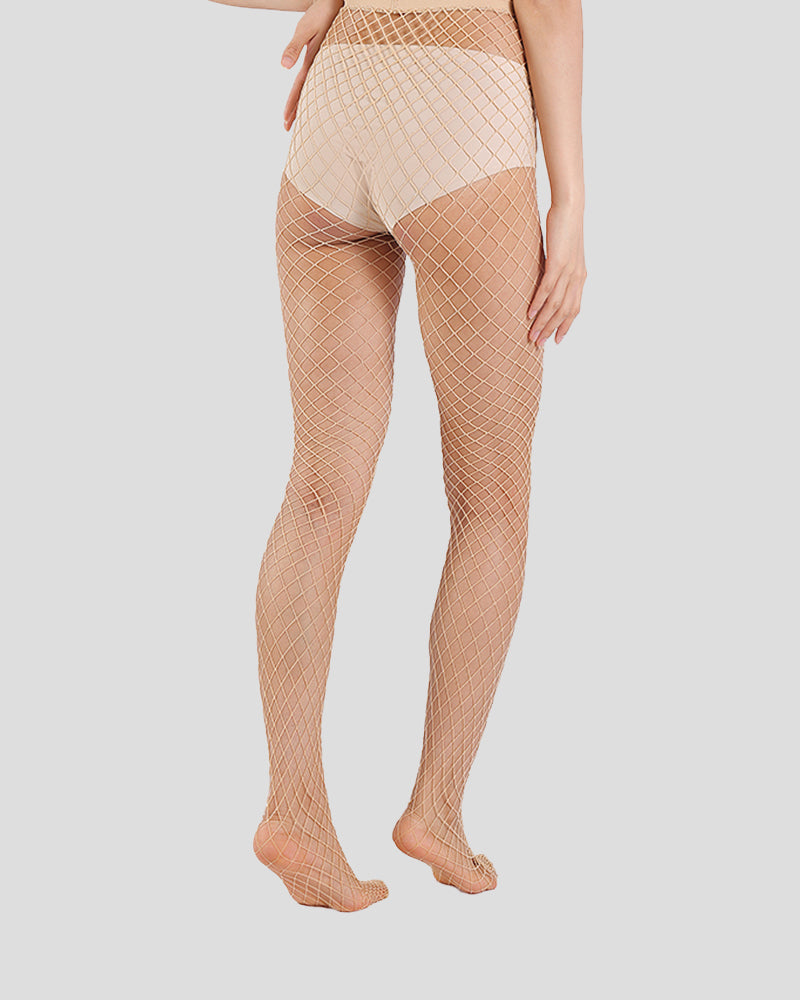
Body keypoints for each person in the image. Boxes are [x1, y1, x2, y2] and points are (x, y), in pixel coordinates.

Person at [210, 0, 587, 912]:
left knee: (316, 493)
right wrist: (571, 199)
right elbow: (549, 6)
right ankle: (437, 810)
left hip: (337, 108)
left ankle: (294, 811)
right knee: (491, 503)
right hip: (461, 107)